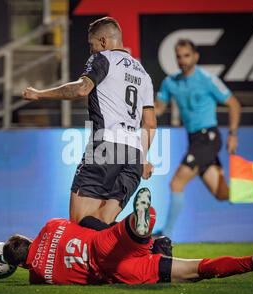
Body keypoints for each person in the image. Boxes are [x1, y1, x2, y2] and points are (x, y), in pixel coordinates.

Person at [2, 188, 253, 285]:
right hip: (104, 244)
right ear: (26, 239)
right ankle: (140, 228)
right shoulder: (52, 226)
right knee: (130, 228)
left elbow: (35, 268)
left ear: (20, 266)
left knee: (194, 270)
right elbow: (88, 223)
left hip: (114, 271)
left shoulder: (38, 277)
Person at [22, 17, 156, 229]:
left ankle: (133, 230)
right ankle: (139, 236)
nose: (91, 50)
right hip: (134, 155)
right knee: (103, 220)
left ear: (103, 41)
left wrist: (40, 94)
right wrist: (144, 158)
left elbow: (81, 89)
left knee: (80, 220)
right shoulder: (143, 74)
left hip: (105, 146)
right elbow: (149, 123)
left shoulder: (103, 58)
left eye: (91, 45)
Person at [155, 39, 253, 238]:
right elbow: (157, 109)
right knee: (222, 194)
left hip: (208, 138)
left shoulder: (207, 79)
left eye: (186, 55)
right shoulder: (170, 82)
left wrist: (233, 135)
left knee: (176, 183)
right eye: (179, 56)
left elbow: (234, 104)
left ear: (196, 56)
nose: (182, 60)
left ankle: (167, 235)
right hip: (194, 140)